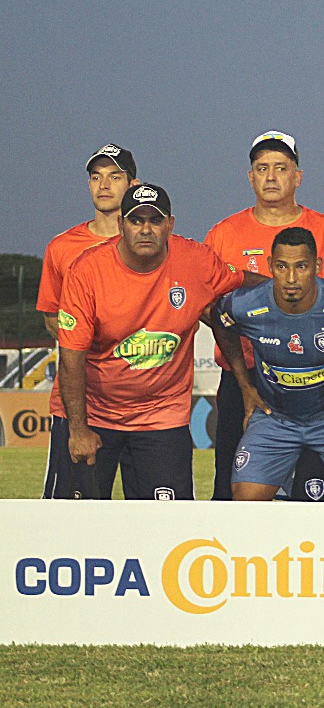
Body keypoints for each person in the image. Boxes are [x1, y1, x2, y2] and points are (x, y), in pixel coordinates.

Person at [57, 183, 258, 499]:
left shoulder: (196, 260)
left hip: (162, 417)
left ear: (171, 224)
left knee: (168, 529)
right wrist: (79, 429)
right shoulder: (87, 270)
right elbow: (71, 357)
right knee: (79, 526)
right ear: (122, 224)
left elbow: (242, 281)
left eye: (155, 220)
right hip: (97, 415)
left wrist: (303, 291)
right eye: (136, 221)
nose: (145, 229)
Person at [205, 130, 324, 502]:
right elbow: (206, 306)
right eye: (262, 168)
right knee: (233, 489)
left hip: (316, 384)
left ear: (298, 176)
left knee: (315, 491)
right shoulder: (223, 236)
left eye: (281, 167)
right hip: (244, 379)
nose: (271, 176)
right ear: (250, 177)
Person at [210, 227, 324, 502]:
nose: (291, 278)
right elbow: (220, 319)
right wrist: (245, 386)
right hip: (275, 418)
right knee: (245, 499)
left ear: (317, 267)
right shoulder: (245, 304)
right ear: (270, 266)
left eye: (301, 266)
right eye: (282, 267)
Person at [39, 144, 139, 498]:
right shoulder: (62, 247)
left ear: (133, 183)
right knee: (70, 515)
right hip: (78, 399)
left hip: (141, 405)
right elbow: (53, 315)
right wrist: (86, 342)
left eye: (114, 176)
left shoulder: (150, 242)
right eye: (96, 177)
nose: (104, 185)